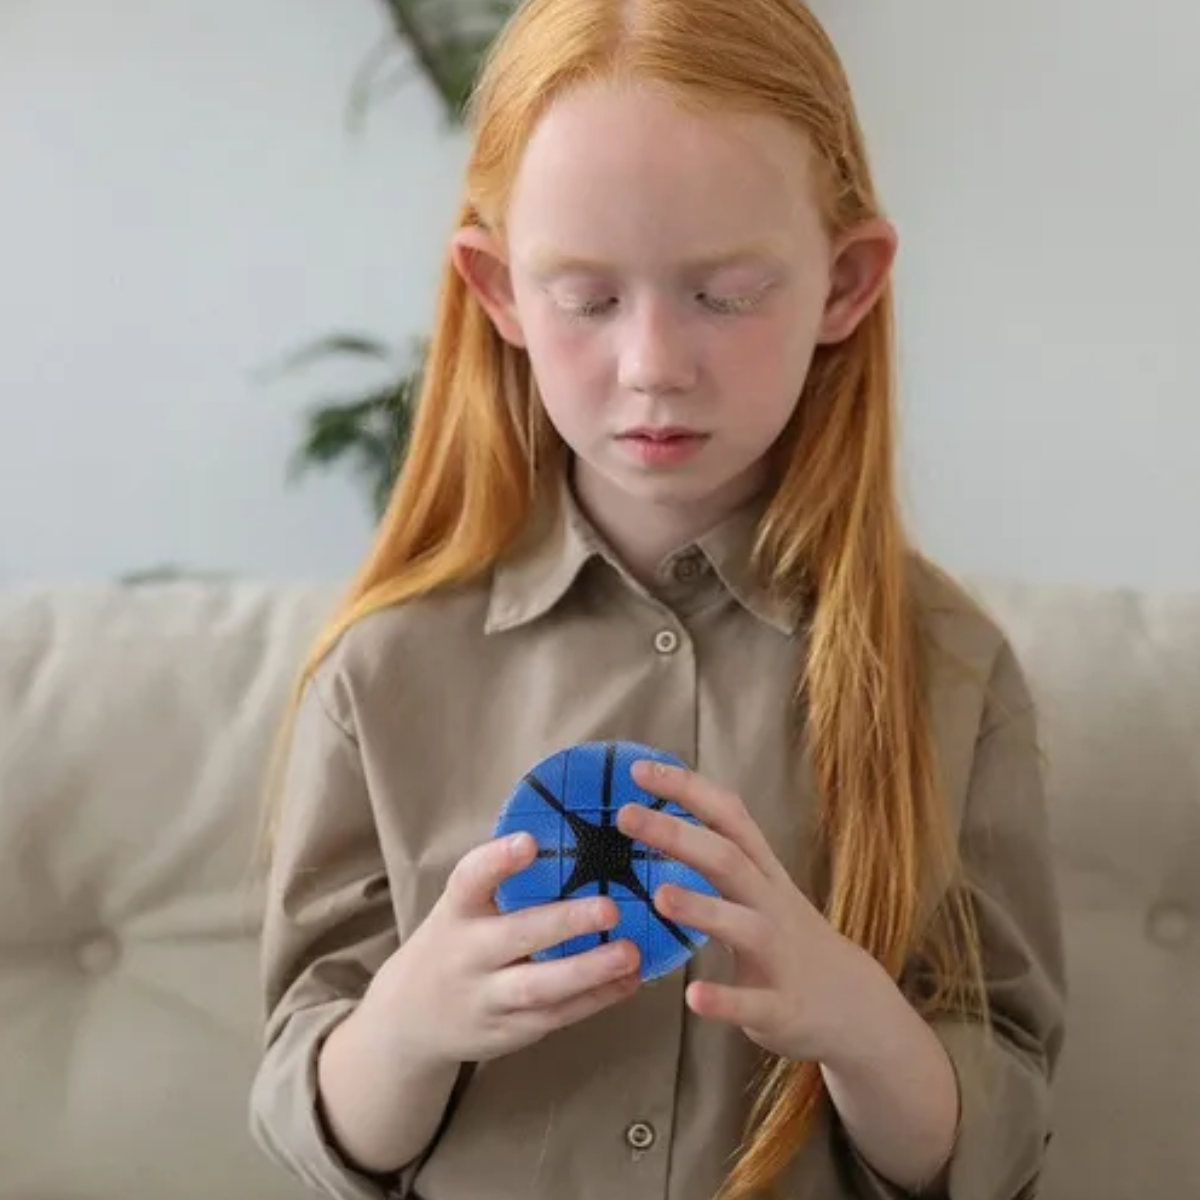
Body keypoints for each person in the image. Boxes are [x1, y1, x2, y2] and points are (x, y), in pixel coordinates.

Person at [249, 1, 1067, 1197]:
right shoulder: (383, 674)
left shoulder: (949, 672)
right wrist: (409, 1027)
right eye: (588, 298)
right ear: (498, 292)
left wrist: (857, 1021)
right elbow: (304, 1111)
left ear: (846, 284)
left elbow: (1002, 1128)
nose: (653, 365)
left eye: (724, 293)